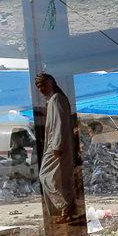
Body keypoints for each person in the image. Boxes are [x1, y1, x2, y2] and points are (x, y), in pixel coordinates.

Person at [34, 72, 77, 224]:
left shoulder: (57, 98)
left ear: (51, 83)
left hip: (57, 146)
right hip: (55, 145)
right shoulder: (53, 99)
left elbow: (60, 123)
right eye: (38, 86)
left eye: (43, 85)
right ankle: (67, 211)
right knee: (60, 179)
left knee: (48, 177)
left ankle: (67, 205)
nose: (41, 89)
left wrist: (57, 145)